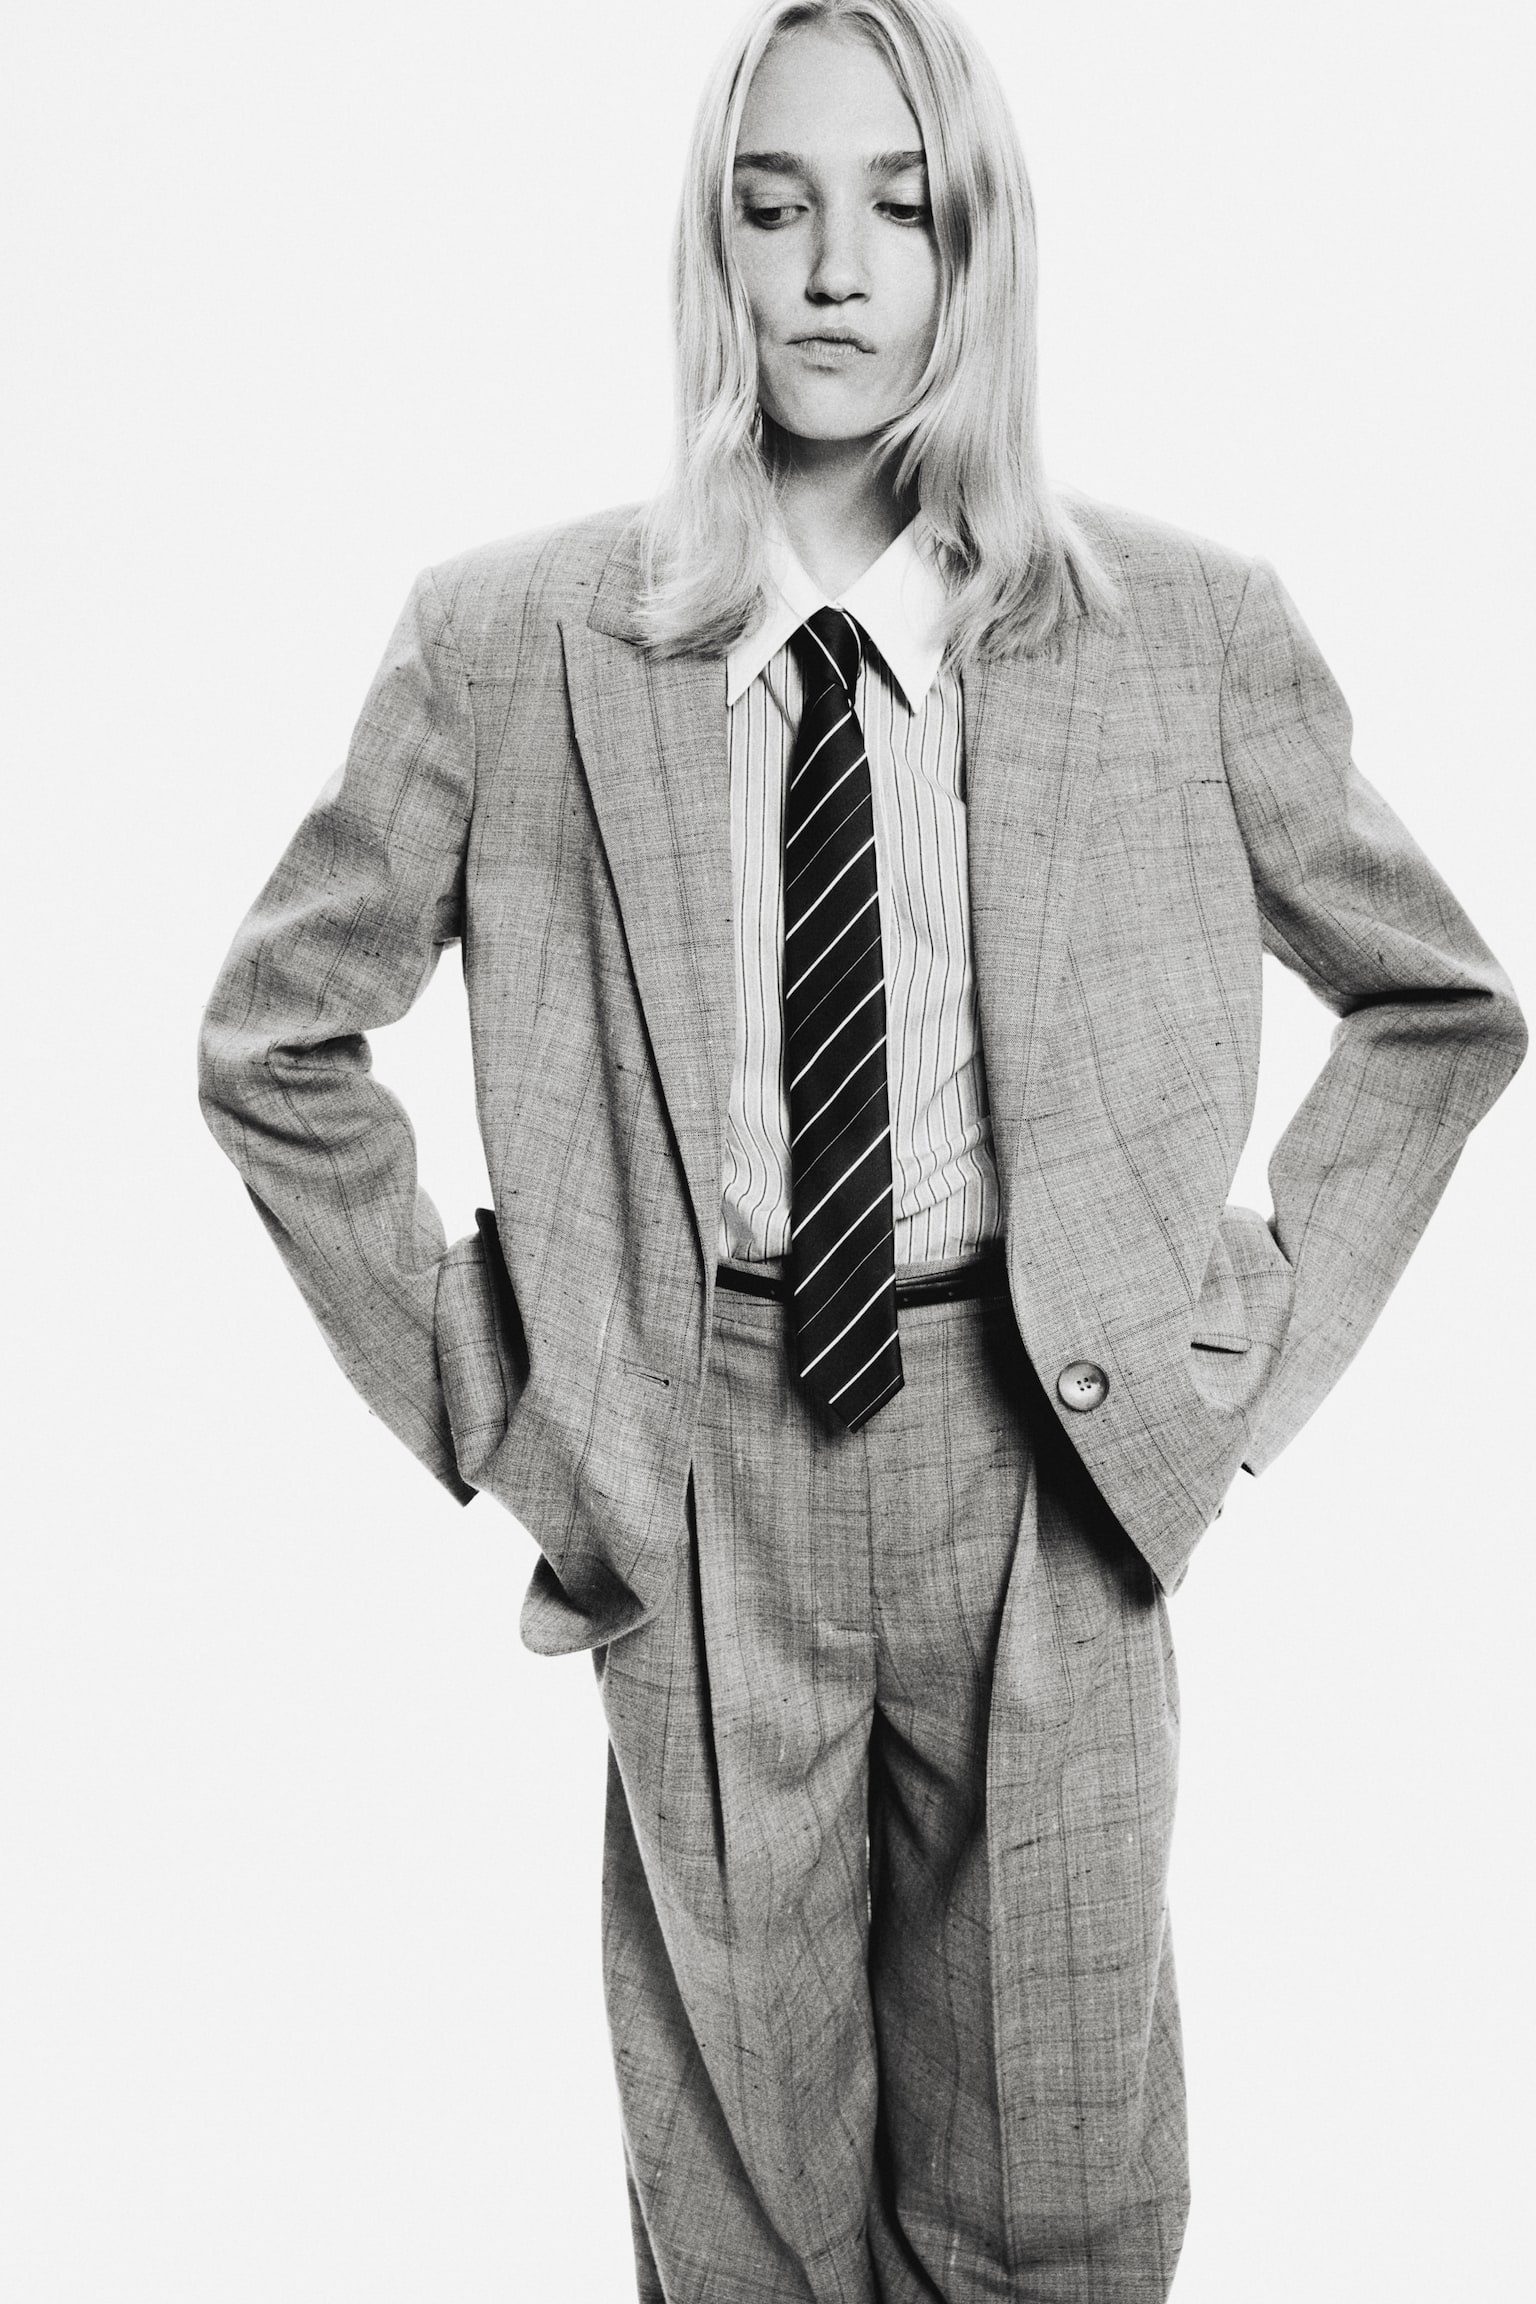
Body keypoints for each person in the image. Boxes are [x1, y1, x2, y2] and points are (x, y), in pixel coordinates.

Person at [196, 1, 1525, 2297]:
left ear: (977, 248)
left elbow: (1438, 1004)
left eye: (899, 209)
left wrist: (1234, 1356)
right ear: (708, 245)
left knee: (1057, 2173)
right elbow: (277, 1042)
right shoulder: (511, 644)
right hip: (696, 1469)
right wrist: (510, 1401)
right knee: (736, 2188)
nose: (832, 268)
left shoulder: (1186, 634)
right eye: (774, 203)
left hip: (1049, 1463)